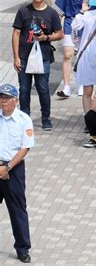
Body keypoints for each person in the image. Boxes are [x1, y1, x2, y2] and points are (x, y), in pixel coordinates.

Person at [12, 0, 64, 131]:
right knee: (24, 89)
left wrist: (46, 38)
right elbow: (16, 33)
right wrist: (16, 56)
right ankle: (25, 118)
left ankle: (46, 118)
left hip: (43, 57)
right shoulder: (23, 11)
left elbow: (59, 34)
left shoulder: (51, 13)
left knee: (43, 89)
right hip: (24, 56)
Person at [54, 0, 96, 99]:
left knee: (84, 55)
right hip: (70, 22)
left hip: (87, 23)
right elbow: (59, 6)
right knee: (68, 54)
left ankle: (82, 83)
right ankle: (67, 86)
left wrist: (88, 4)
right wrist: (56, 26)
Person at [0, 83, 35, 264]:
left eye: (7, 98)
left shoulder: (23, 120)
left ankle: (22, 248)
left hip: (14, 169)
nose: (3, 101)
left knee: (17, 210)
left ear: (16, 100)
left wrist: (7, 168)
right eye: (1, 98)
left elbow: (25, 148)